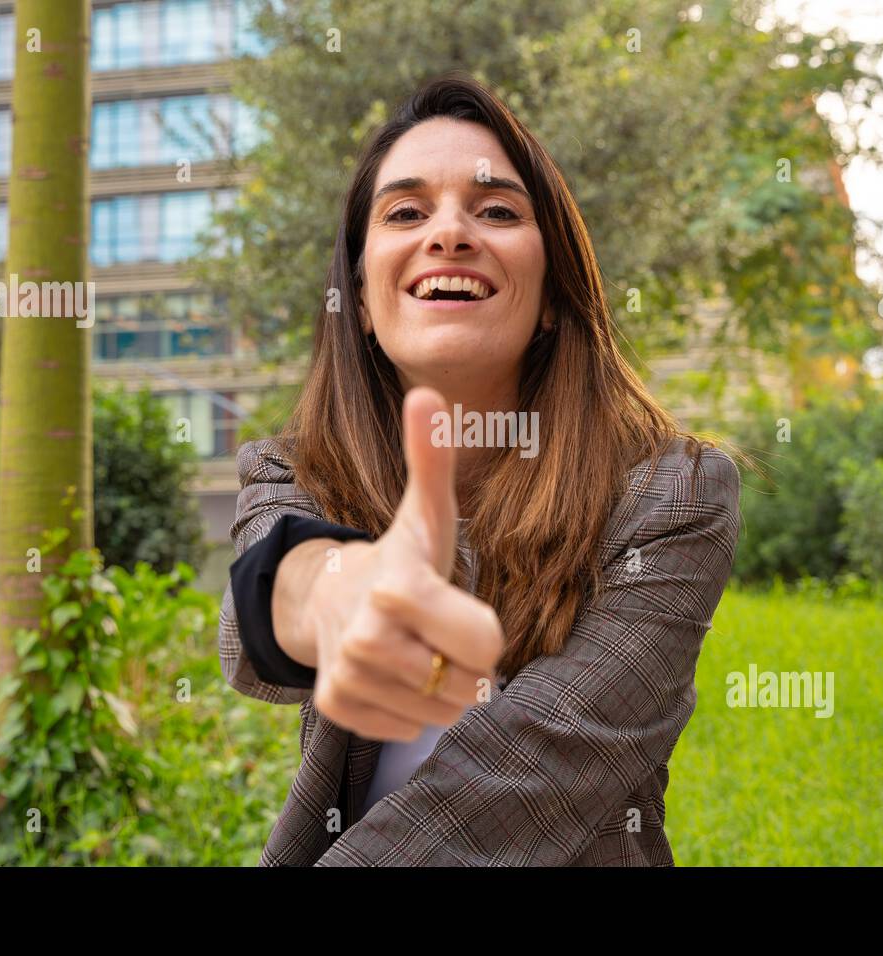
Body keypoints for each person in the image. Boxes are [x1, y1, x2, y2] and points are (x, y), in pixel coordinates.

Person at [219, 72, 742, 866]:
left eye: (497, 210)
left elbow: (526, 775)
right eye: (405, 212)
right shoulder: (291, 469)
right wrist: (327, 591)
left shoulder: (676, 494)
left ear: (554, 295)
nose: (450, 233)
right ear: (358, 298)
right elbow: (256, 612)